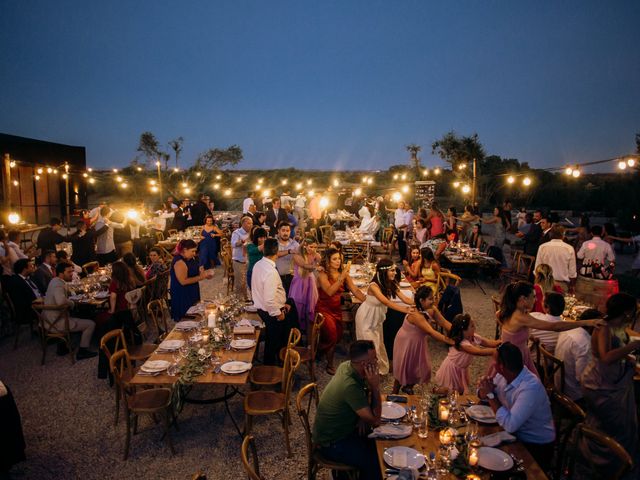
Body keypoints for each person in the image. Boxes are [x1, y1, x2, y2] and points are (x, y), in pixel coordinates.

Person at [579, 293, 640, 478]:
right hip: (601, 385)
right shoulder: (604, 327)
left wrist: (626, 357)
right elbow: (605, 357)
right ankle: (610, 463)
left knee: (612, 424)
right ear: (627, 312)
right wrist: (633, 347)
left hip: (609, 381)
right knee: (621, 427)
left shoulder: (617, 326)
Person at [491, 281, 601, 378]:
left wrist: (514, 335)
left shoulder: (512, 310)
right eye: (533, 297)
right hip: (514, 358)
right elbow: (555, 327)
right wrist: (586, 322)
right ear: (523, 299)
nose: (536, 299)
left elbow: (498, 315)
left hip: (516, 353)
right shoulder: (521, 317)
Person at [478, 342, 556, 472]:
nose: (492, 365)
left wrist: (491, 395)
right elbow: (486, 395)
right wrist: (483, 391)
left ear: (501, 367)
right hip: (513, 435)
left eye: (494, 362)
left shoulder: (530, 388)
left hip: (534, 446)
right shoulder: (505, 374)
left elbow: (509, 425)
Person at [312, 340, 383, 480]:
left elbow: (363, 395)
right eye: (374, 359)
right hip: (331, 442)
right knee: (376, 461)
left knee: (378, 442)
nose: (377, 361)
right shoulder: (349, 385)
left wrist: (361, 417)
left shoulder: (347, 366)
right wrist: (375, 387)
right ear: (364, 364)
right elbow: (376, 420)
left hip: (341, 431)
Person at [355, 258, 414, 375]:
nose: (395, 273)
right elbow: (386, 302)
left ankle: (377, 371)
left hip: (377, 319)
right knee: (371, 348)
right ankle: (367, 374)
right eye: (392, 270)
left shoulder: (390, 283)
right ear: (384, 272)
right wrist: (405, 310)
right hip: (366, 318)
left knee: (379, 344)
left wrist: (419, 303)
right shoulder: (374, 286)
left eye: (395, 270)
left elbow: (405, 298)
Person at [392, 286, 454, 394]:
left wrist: (459, 330)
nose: (433, 300)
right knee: (404, 366)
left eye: (433, 297)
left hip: (419, 341)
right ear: (421, 300)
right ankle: (394, 392)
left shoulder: (431, 309)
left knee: (421, 368)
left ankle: (408, 386)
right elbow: (432, 332)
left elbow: (444, 323)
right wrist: (451, 341)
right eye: (430, 298)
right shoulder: (416, 315)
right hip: (406, 341)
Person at [316, 248, 366, 374]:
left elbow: (355, 290)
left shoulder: (344, 275)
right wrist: (341, 277)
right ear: (328, 261)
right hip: (324, 309)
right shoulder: (323, 274)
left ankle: (320, 351)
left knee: (337, 335)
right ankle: (330, 364)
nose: (338, 261)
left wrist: (367, 300)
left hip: (336, 309)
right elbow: (329, 291)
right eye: (334, 259)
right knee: (332, 335)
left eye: (339, 258)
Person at [251, 238, 299, 365]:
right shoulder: (271, 272)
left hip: (262, 309)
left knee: (272, 341)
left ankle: (271, 364)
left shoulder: (258, 264)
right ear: (276, 252)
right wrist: (279, 314)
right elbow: (269, 300)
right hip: (272, 312)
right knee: (274, 342)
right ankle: (273, 370)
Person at [434, 312, 499, 394]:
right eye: (472, 326)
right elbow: (478, 352)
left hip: (462, 368)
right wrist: (494, 351)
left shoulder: (474, 337)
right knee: (448, 389)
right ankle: (435, 391)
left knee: (458, 389)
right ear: (463, 331)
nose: (474, 327)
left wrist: (500, 342)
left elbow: (488, 342)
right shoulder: (463, 344)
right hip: (452, 368)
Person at [44, 262, 97, 360]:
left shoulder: (54, 281)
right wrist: (72, 303)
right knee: (90, 324)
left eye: (72, 271)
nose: (71, 274)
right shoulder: (58, 285)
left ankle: (62, 347)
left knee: (80, 314)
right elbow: (60, 302)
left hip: (48, 320)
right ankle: (82, 352)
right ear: (61, 273)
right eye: (69, 272)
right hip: (56, 322)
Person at [554, 308, 597, 403]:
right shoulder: (585, 344)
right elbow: (582, 379)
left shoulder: (567, 330)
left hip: (558, 383)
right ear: (592, 326)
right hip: (574, 394)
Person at [170, 239, 213, 321]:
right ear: (185, 250)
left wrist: (206, 274)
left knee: (195, 314)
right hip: (182, 294)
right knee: (186, 318)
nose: (194, 253)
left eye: (195, 251)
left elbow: (196, 272)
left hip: (192, 290)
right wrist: (201, 277)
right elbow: (183, 281)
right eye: (192, 251)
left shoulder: (191, 258)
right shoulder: (179, 262)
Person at [288, 237, 320, 334]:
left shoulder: (316, 255)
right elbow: (304, 265)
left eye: (315, 247)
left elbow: (313, 268)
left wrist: (317, 260)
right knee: (298, 307)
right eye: (311, 246)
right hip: (299, 284)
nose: (313, 249)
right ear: (305, 245)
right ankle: (297, 332)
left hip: (310, 282)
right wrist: (316, 267)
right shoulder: (297, 255)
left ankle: (308, 333)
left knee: (310, 306)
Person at [534, 225, 576, 292]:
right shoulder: (569, 248)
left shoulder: (543, 247)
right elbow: (572, 272)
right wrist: (572, 286)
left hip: (544, 283)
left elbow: (537, 268)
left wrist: (537, 284)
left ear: (550, 234)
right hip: (562, 285)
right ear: (563, 235)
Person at [5, 258, 41, 327]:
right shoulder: (15, 281)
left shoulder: (29, 278)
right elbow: (19, 301)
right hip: (28, 310)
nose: (33, 268)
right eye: (31, 266)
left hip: (38, 304)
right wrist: (35, 301)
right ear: (25, 269)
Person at [230, 216, 253, 300]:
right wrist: (243, 241)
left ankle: (247, 299)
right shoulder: (237, 233)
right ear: (243, 224)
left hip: (249, 260)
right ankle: (238, 301)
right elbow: (233, 244)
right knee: (240, 283)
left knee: (248, 282)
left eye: (251, 223)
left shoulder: (251, 233)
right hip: (239, 260)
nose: (251, 225)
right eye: (249, 223)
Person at [274, 222, 299, 294]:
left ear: (290, 232)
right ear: (278, 231)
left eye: (287, 231)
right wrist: (289, 251)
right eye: (283, 230)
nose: (285, 233)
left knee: (291, 300)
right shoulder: (274, 243)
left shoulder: (295, 244)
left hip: (291, 277)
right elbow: (274, 254)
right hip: (277, 278)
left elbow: (301, 256)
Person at [246, 227, 267, 294]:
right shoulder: (250, 246)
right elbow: (255, 250)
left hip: (263, 274)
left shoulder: (265, 247)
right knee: (255, 295)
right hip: (252, 274)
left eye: (264, 237)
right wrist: (267, 244)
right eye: (260, 238)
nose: (263, 239)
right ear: (256, 237)